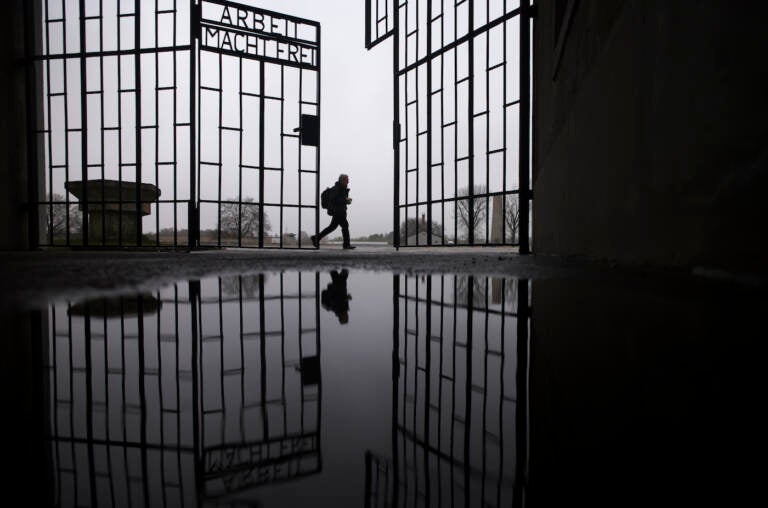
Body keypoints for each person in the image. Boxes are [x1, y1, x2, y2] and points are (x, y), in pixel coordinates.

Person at [312, 174, 355, 249]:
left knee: (332, 227)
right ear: (342, 180)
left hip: (340, 211)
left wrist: (346, 200)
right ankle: (346, 244)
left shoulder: (341, 188)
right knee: (345, 226)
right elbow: (334, 200)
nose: (348, 182)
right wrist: (345, 200)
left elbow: (340, 200)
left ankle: (316, 238)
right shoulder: (336, 189)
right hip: (338, 212)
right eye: (347, 180)